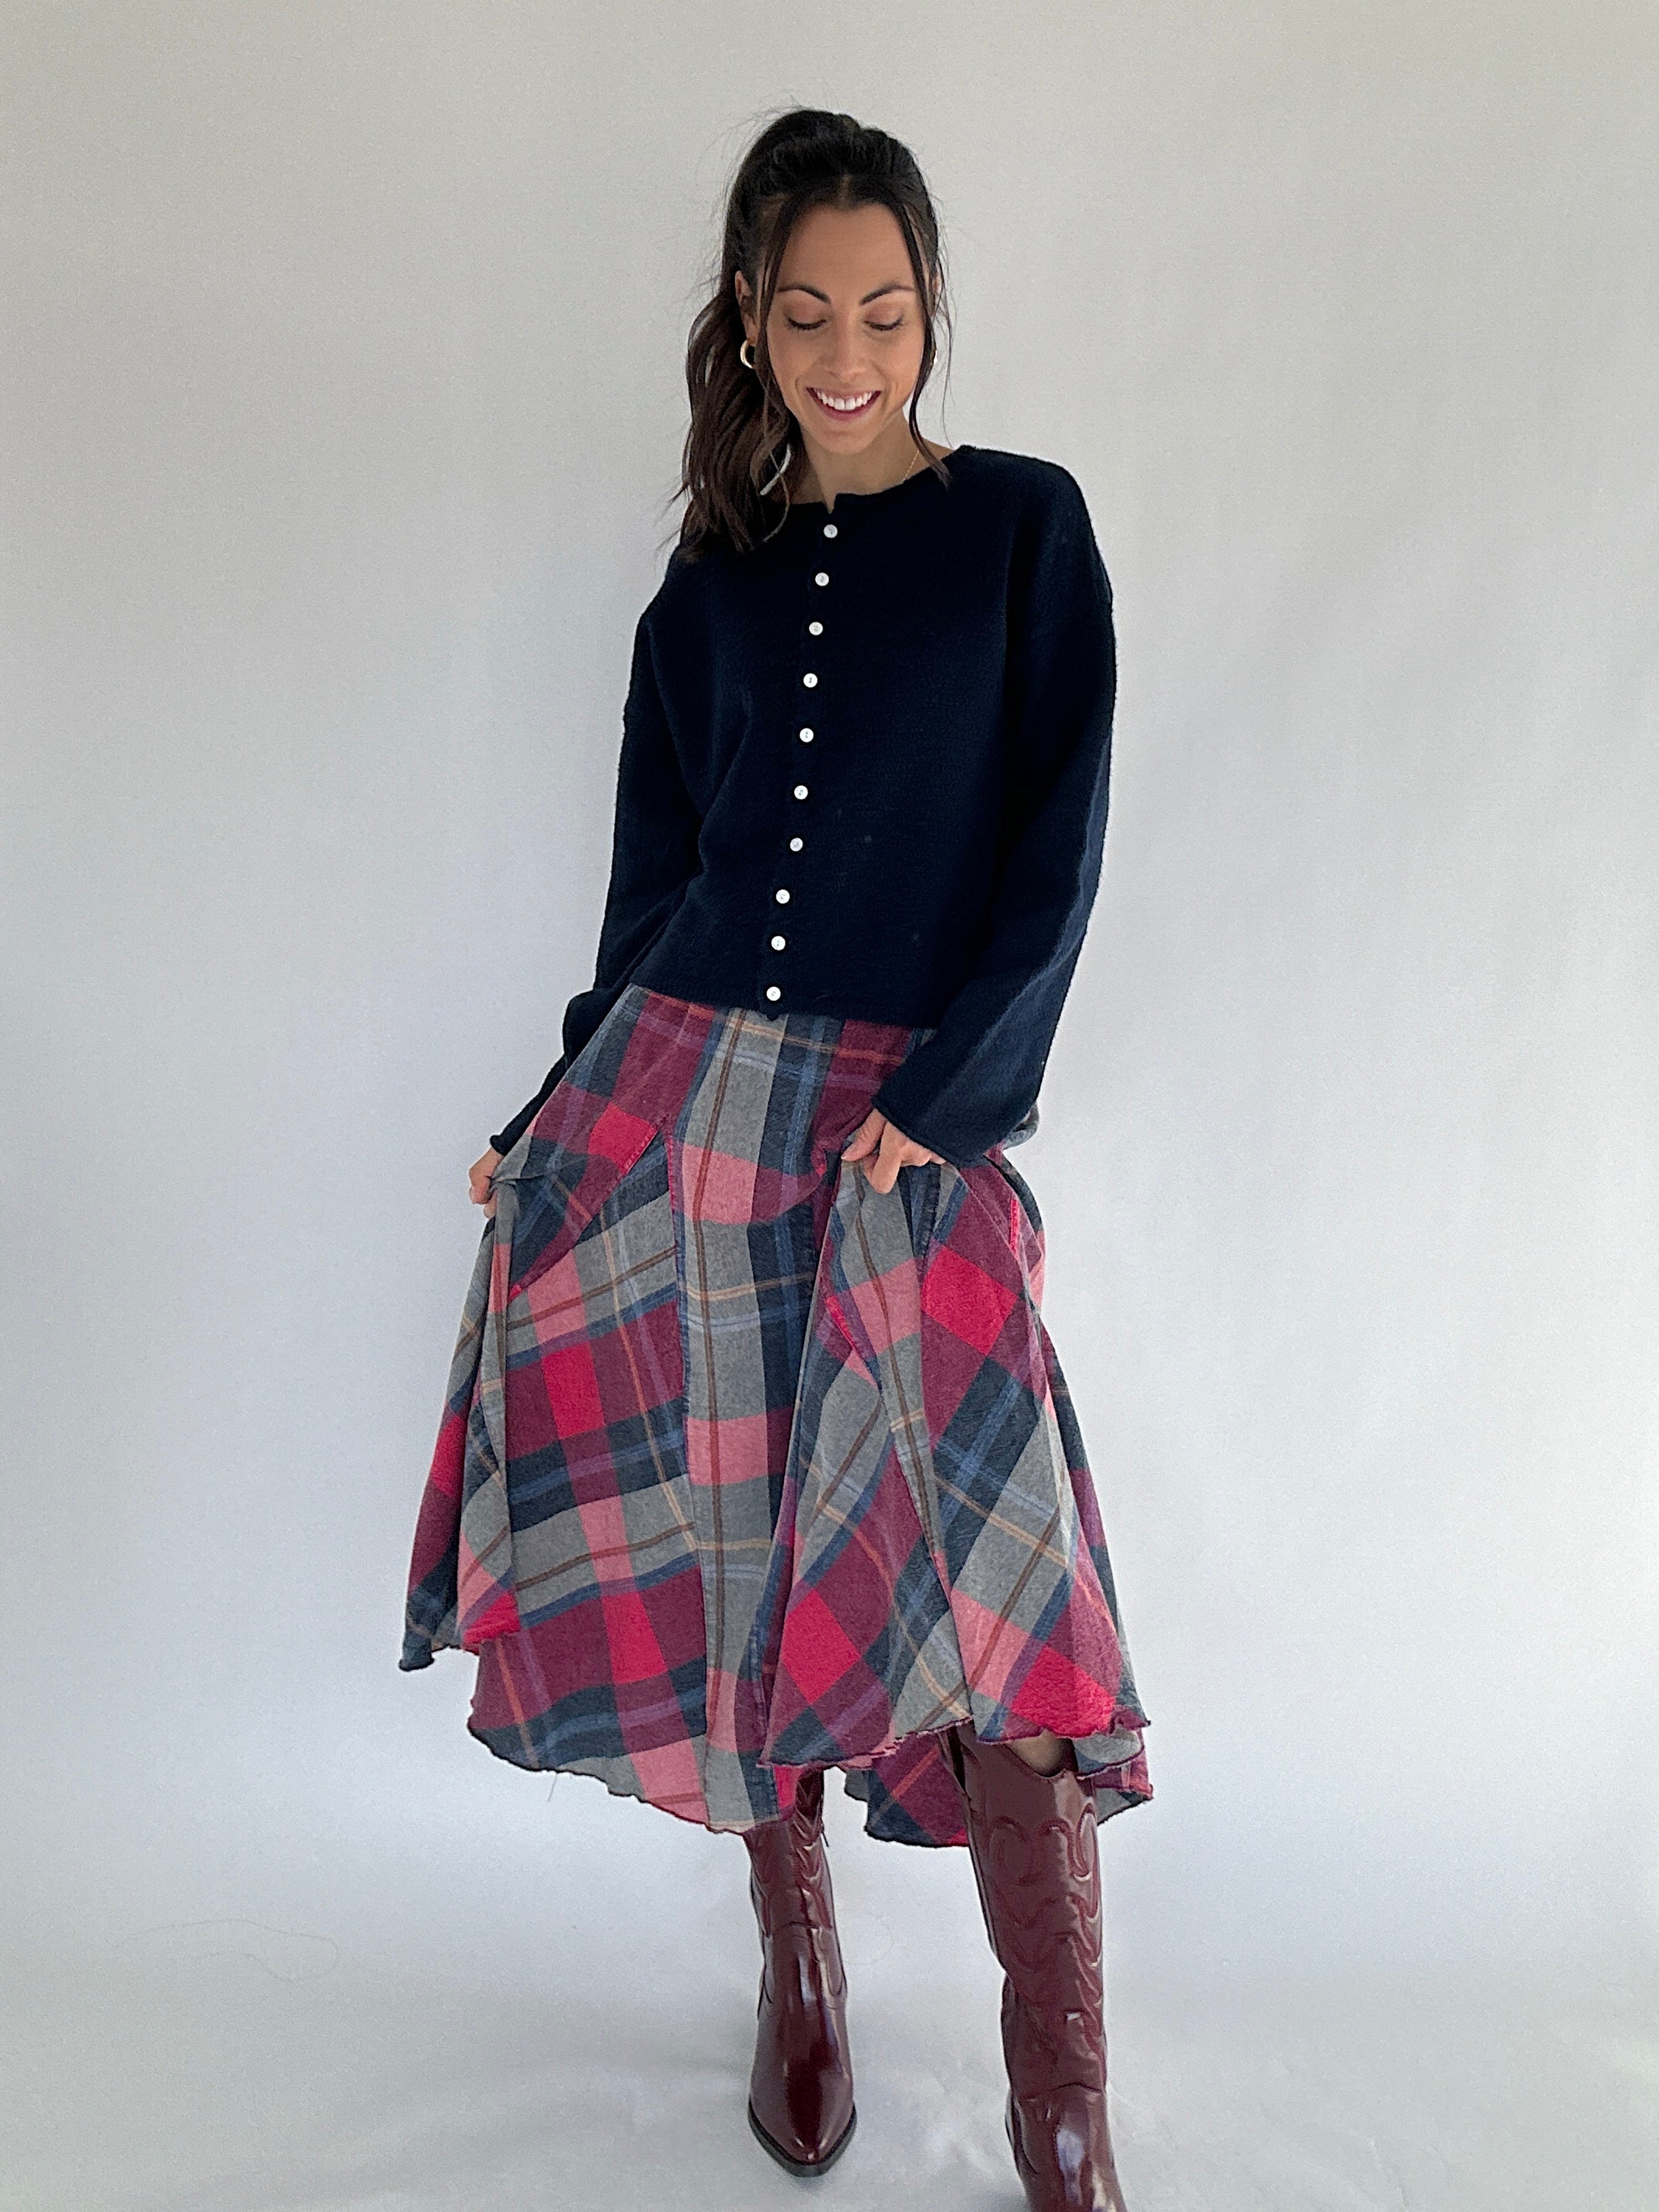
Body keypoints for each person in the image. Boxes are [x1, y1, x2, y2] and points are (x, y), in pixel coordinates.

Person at [400, 106, 1151, 2212]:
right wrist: (556, 1114)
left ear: (931, 311)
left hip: (915, 1128)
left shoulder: (1023, 530)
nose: (849, 350)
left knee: (1003, 1601)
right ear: (748, 316)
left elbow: (1056, 846)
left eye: (886, 310)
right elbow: (657, 893)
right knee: (740, 1553)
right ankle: (796, 1959)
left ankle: (1057, 2097)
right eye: (806, 310)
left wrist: (959, 1096)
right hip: (688, 1109)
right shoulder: (703, 596)